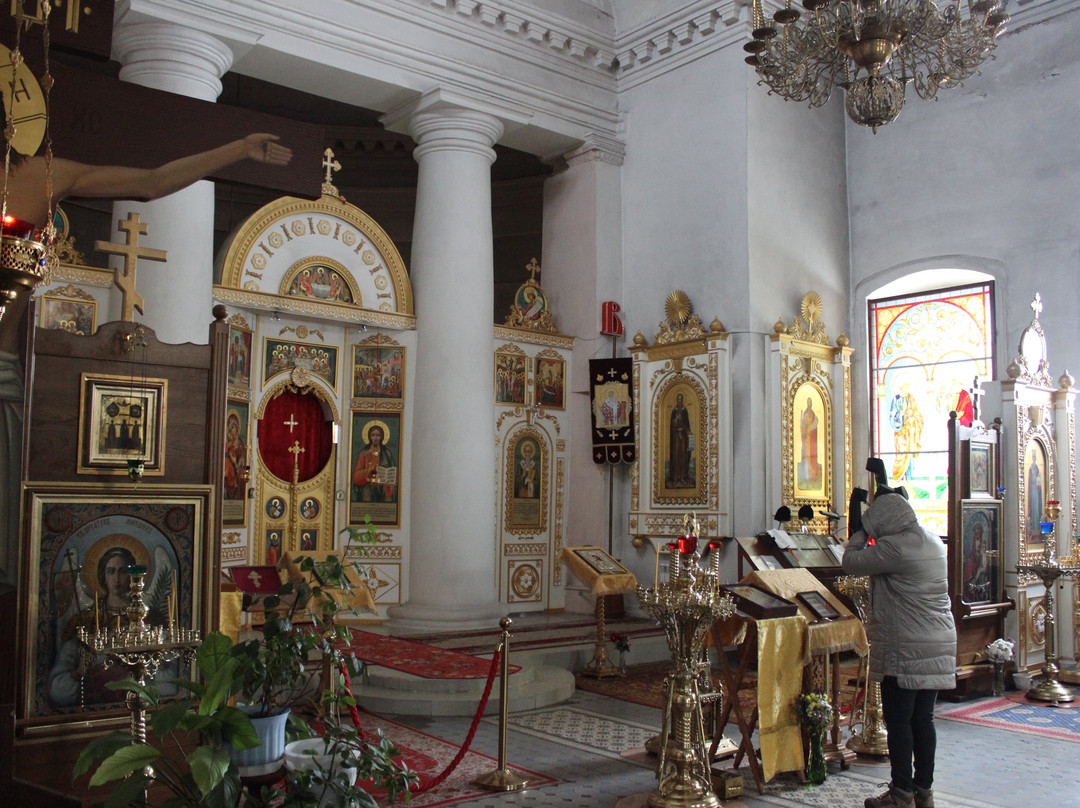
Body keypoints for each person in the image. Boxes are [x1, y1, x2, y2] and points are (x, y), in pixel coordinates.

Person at [841, 488, 957, 808]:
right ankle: (923, 792)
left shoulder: (895, 547)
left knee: (899, 721)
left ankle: (901, 793)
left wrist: (861, 532)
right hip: (939, 641)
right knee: (924, 720)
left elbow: (851, 562)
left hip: (906, 646)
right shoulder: (932, 541)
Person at [352, 423, 396, 502]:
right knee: (366, 493)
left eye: (378, 435)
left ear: (381, 437)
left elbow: (393, 472)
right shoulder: (364, 453)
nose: (375, 438)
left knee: (388, 496)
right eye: (373, 435)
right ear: (369, 437)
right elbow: (356, 476)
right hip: (367, 485)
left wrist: (388, 479)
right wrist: (368, 471)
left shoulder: (386, 453)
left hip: (383, 485)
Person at [889, 381, 924, 481]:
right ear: (901, 388)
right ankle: (899, 477)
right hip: (900, 431)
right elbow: (892, 415)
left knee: (909, 453)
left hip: (910, 431)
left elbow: (916, 413)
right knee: (901, 452)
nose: (907, 389)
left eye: (908, 387)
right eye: (905, 387)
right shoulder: (896, 399)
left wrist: (914, 419)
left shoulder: (911, 399)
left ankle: (908, 478)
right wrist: (902, 415)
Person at [668, 392, 692, 487]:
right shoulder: (674, 411)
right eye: (678, 399)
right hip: (676, 437)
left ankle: (682, 476)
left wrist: (688, 431)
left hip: (683, 437)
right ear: (676, 400)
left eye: (681, 399)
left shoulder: (684, 410)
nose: (679, 401)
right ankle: (675, 477)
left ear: (683, 400)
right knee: (676, 455)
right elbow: (671, 425)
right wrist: (674, 421)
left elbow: (687, 424)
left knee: (683, 455)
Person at [799, 396, 821, 486]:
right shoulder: (805, 413)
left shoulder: (812, 413)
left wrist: (810, 429)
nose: (809, 404)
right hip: (807, 439)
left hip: (811, 438)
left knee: (812, 456)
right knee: (806, 456)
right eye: (808, 402)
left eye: (810, 402)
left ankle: (812, 475)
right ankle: (807, 475)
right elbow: (803, 424)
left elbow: (815, 423)